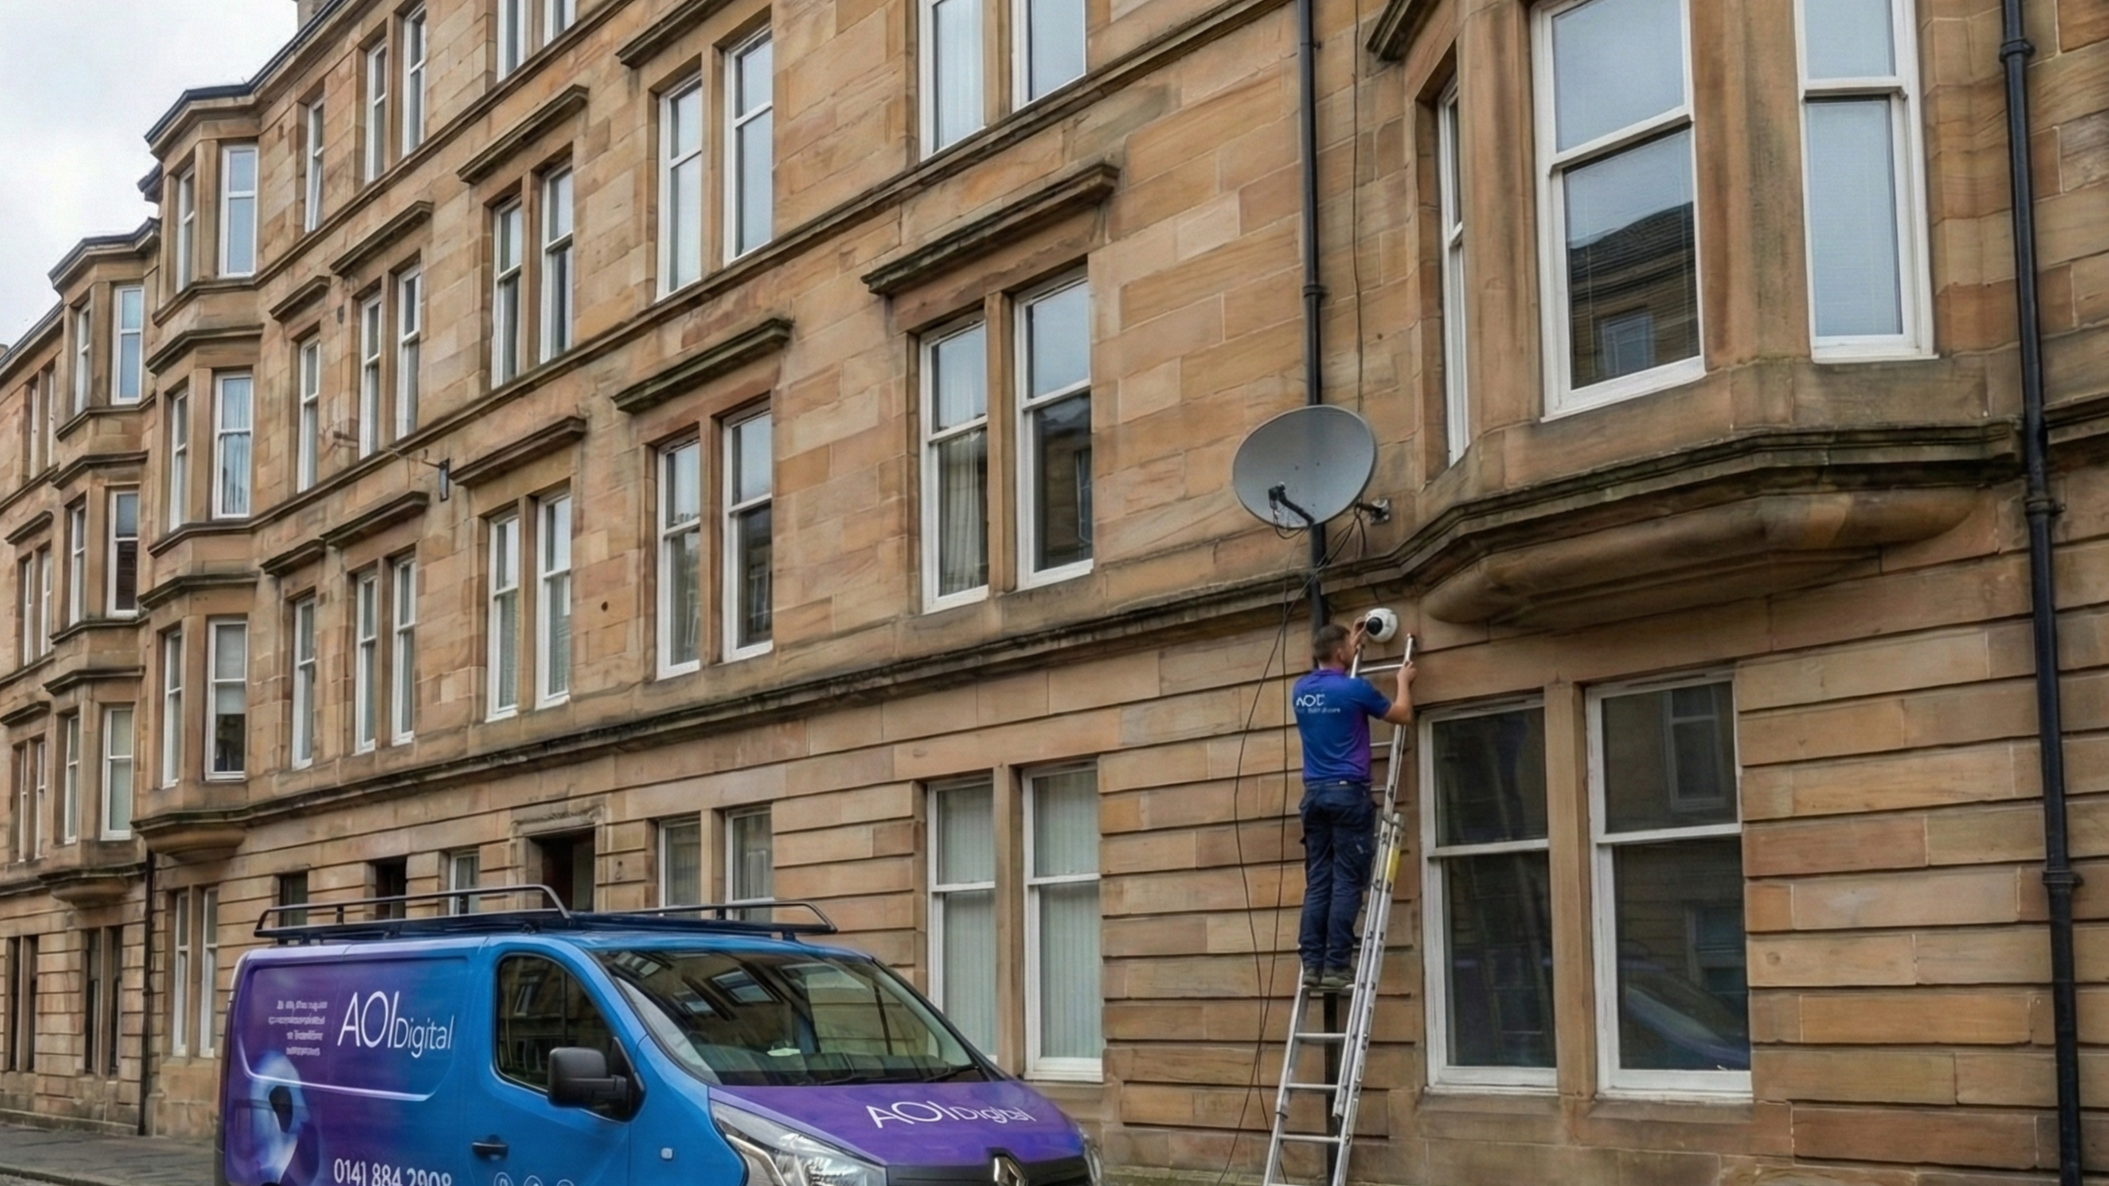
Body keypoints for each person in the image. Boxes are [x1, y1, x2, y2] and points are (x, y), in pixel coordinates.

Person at [1292, 619, 1414, 992]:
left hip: (1313, 796)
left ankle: (1312, 965)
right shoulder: (1356, 689)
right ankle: (1336, 966)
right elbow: (1402, 715)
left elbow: (1331, 671)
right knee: (1347, 881)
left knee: (1319, 883)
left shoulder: (1301, 690)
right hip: (1348, 795)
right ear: (1342, 653)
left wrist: (1351, 643)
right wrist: (1403, 683)